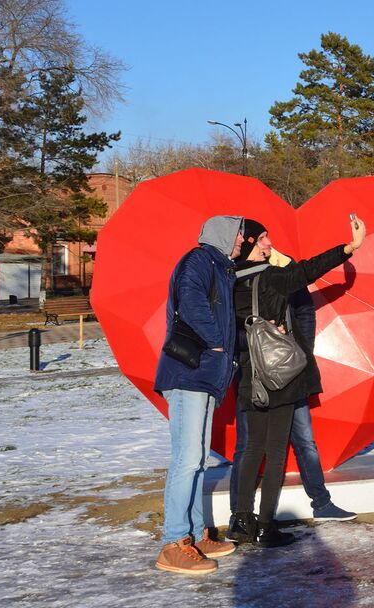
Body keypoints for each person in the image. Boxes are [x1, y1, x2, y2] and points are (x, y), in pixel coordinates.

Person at [226, 216, 365, 547]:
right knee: (275, 452)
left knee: (250, 451)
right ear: (248, 243)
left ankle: (240, 522)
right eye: (263, 239)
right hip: (279, 375)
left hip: (248, 375)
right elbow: (308, 270)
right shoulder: (272, 277)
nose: (269, 245)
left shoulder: (227, 281)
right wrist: (349, 248)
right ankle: (265, 526)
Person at [152, 215, 244, 575]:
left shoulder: (221, 267)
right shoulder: (199, 260)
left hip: (204, 375)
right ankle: (173, 543)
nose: (242, 241)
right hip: (188, 373)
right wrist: (218, 342)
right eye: (239, 235)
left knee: (199, 460)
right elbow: (190, 302)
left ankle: (194, 534)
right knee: (187, 459)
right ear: (223, 235)